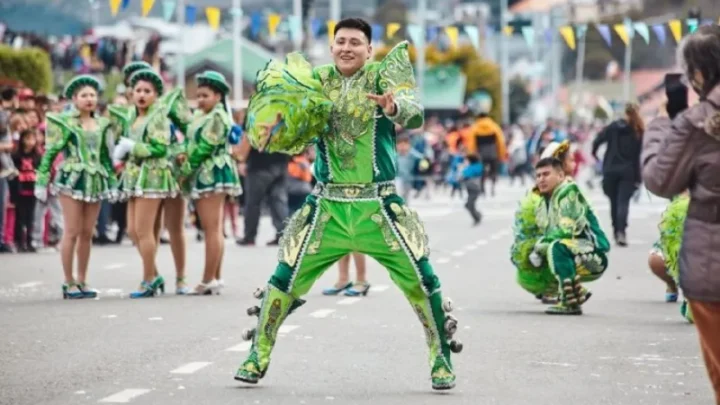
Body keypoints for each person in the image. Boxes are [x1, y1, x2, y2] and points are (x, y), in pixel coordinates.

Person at [235, 19, 461, 390]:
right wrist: (273, 124)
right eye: (340, 41)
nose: (346, 48)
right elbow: (284, 113)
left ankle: (441, 359)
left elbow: (414, 111)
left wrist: (393, 108)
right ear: (331, 47)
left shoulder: (381, 75)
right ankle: (257, 354)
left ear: (369, 50)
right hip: (327, 207)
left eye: (355, 42)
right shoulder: (317, 80)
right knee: (284, 278)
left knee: (422, 280)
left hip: (379, 208)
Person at [641, 25, 720, 404]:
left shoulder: (701, 121)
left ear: (700, 74)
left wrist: (660, 125)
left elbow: (661, 180)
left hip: (713, 267)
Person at [35, 75, 116, 298]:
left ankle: (82, 279)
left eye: (92, 95)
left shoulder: (103, 124)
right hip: (71, 179)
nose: (89, 99)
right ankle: (68, 281)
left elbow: (106, 158)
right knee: (71, 231)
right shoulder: (66, 122)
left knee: (87, 233)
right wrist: (42, 179)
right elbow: (51, 152)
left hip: (96, 180)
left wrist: (112, 182)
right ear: (75, 99)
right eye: (84, 95)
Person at [113, 68, 180, 298]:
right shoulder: (132, 115)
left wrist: (134, 148)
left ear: (155, 95)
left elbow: (161, 148)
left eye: (147, 91)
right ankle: (155, 274)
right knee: (132, 231)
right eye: (138, 90)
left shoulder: (158, 116)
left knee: (143, 230)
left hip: (153, 176)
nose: (141, 94)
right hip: (134, 176)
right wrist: (121, 152)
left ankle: (148, 279)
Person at [178, 71, 241, 295]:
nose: (200, 99)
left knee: (212, 228)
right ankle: (215, 276)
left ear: (217, 96)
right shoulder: (204, 115)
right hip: (208, 172)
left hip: (211, 172)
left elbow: (204, 147)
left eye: (205, 95)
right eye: (198, 95)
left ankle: (207, 279)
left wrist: (185, 170)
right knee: (215, 228)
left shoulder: (217, 116)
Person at [526, 157, 610, 315]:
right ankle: (577, 291)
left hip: (594, 254)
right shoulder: (544, 201)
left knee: (554, 248)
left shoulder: (568, 191)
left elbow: (567, 230)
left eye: (546, 174)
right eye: (538, 176)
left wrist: (539, 246)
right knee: (537, 251)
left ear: (560, 175)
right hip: (574, 250)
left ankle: (568, 302)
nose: (541, 179)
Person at [591, 103, 644, 247]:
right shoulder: (638, 130)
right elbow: (639, 157)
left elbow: (597, 140)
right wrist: (639, 178)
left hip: (610, 169)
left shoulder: (613, 127)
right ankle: (621, 231)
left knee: (613, 202)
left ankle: (616, 230)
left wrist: (595, 154)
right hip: (628, 171)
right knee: (623, 202)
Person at [10, 129, 40, 252]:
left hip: (32, 188)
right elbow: (13, 172)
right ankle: (19, 241)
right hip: (20, 188)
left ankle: (30, 240)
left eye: (32, 139)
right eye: (27, 139)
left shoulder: (37, 156)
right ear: (22, 140)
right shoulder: (16, 155)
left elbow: (40, 169)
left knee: (31, 216)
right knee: (20, 216)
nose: (30, 142)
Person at [466, 111, 505, 196]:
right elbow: (500, 141)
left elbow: (471, 143)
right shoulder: (494, 126)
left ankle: (483, 188)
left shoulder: (475, 127)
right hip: (493, 152)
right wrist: (501, 153)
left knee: (482, 171)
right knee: (494, 171)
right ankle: (492, 187)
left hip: (481, 153)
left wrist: (471, 154)